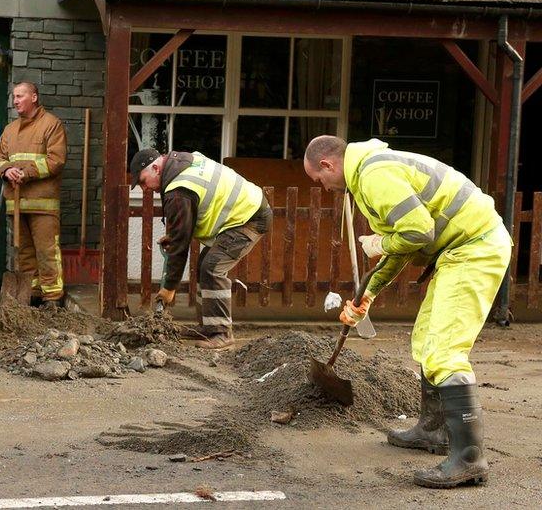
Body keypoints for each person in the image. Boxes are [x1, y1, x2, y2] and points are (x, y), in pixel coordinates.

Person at [303, 135, 509, 489]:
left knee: (445, 350)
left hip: (475, 249)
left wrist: (379, 243)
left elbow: (417, 233)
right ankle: (433, 430)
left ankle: (469, 458)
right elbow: (399, 249)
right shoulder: (367, 175)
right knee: (427, 339)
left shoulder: (373, 175)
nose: (323, 188)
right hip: (457, 252)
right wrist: (366, 295)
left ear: (327, 165)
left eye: (319, 180)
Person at [130, 147, 270, 349]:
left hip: (250, 218)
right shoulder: (184, 161)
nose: (144, 189)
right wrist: (176, 235)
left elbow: (181, 246)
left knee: (212, 268)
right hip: (242, 213)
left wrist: (169, 288)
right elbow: (192, 214)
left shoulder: (178, 190)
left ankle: (222, 332)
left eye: (143, 181)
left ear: (155, 168)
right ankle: (208, 326)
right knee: (205, 264)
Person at [0, 82, 67, 307]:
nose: (15, 101)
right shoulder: (9, 129)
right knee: (24, 252)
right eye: (14, 97)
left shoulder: (52, 125)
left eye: (20, 96)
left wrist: (25, 173)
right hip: (15, 203)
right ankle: (32, 293)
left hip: (43, 204)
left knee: (46, 250)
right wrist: (7, 170)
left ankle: (52, 296)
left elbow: (56, 161)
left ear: (34, 97)